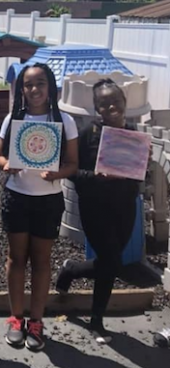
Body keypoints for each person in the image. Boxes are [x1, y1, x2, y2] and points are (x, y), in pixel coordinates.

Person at [55, 79, 146, 344]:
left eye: (115, 101)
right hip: (95, 208)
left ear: (124, 103)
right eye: (104, 103)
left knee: (112, 262)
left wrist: (144, 162)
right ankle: (96, 321)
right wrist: (95, 177)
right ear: (97, 108)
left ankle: (71, 269)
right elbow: (69, 170)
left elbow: (139, 176)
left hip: (125, 206)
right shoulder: (87, 134)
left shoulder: (133, 135)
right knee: (111, 260)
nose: (111, 107)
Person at [0, 63, 78, 351]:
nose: (34, 89)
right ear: (22, 90)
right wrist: (9, 166)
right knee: (16, 259)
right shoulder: (12, 118)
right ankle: (16, 318)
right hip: (17, 197)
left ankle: (37, 321)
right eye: (28, 84)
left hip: (48, 201)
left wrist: (58, 174)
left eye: (40, 83)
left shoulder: (64, 121)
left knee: (42, 262)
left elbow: (72, 164)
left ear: (51, 87)